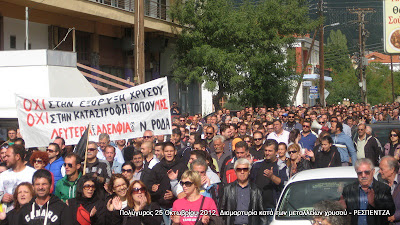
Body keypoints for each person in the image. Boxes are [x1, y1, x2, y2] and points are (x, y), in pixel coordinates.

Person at [340, 158, 395, 225]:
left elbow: (390, 211)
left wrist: (374, 203)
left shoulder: (383, 189)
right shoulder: (348, 190)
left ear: (373, 172)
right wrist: (341, 208)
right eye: (360, 173)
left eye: (367, 172)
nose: (363, 175)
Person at [148, 142, 187, 225]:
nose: (169, 153)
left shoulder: (182, 166)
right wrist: (152, 187)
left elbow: (187, 185)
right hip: (160, 206)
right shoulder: (157, 167)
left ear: (175, 152)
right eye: (166, 151)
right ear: (163, 152)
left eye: (171, 151)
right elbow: (149, 183)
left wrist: (174, 194)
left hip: (176, 206)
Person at [220, 158, 266, 225]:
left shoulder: (256, 190)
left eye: (245, 169)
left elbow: (262, 215)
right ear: (235, 171)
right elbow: (222, 213)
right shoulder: (227, 189)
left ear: (249, 171)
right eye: (239, 169)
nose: (242, 172)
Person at [250, 139, 287, 222]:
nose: (267, 153)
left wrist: (272, 177)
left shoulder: (281, 166)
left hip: (272, 206)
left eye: (270, 151)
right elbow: (251, 182)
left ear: (276, 152)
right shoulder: (257, 165)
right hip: (257, 205)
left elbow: (283, 183)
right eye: (266, 150)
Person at [0, 144, 36, 213]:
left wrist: (16, 197)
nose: (5, 158)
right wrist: (2, 198)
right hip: (8, 217)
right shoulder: (3, 175)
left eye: (8, 156)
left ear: (17, 156)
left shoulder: (32, 173)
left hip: (27, 214)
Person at [379, 156, 400, 224]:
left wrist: (394, 216)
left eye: (382, 169)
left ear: (392, 170)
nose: (379, 171)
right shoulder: (380, 185)